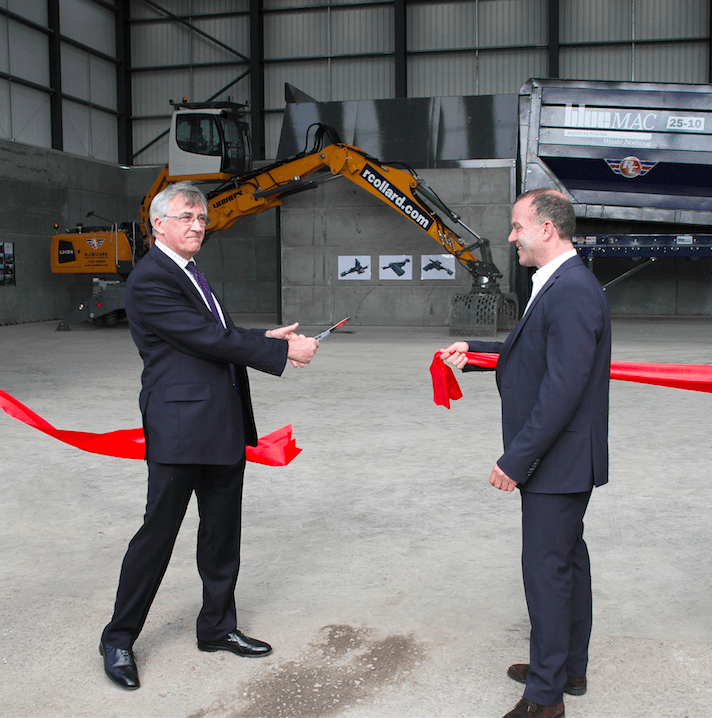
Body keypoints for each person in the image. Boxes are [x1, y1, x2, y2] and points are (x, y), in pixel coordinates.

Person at [99, 181, 319, 690]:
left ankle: (217, 627)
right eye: (187, 216)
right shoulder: (152, 278)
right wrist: (283, 354)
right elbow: (203, 337)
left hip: (219, 422)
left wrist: (264, 338)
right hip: (179, 428)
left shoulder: (190, 270)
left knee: (222, 536)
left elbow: (213, 332)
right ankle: (118, 638)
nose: (198, 225)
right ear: (158, 223)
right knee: (157, 537)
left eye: (202, 217)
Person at [440, 188, 611, 718]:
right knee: (566, 562)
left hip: (555, 462)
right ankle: (566, 666)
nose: (511, 237)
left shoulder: (573, 290)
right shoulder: (557, 283)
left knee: (545, 570)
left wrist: (516, 460)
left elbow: (563, 390)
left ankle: (545, 697)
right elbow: (534, 350)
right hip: (560, 460)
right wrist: (475, 355)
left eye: (517, 226)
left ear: (546, 229)